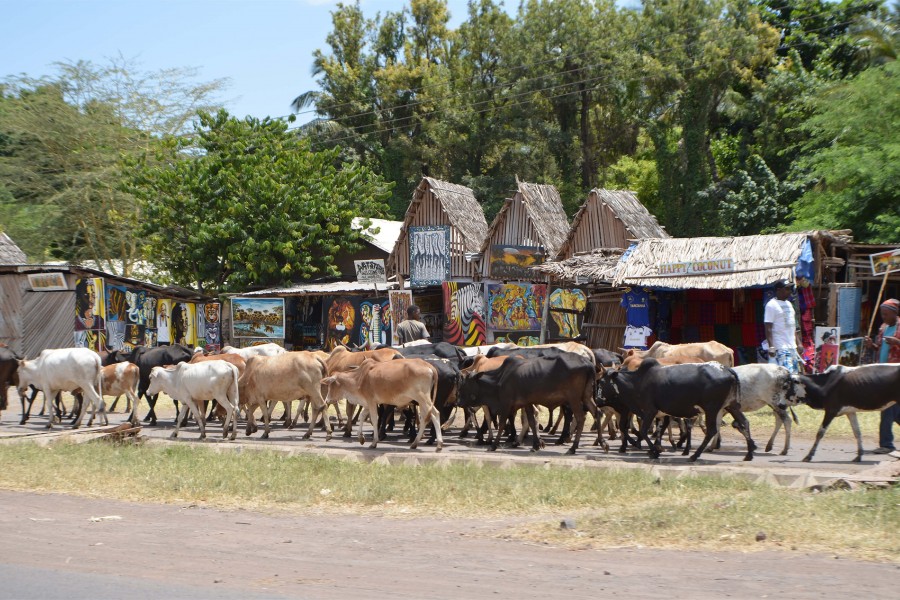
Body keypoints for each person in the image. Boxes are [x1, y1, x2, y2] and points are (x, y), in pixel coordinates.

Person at [864, 298, 900, 455]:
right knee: (894, 410)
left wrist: (897, 342)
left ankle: (886, 444)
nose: (883, 317)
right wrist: (872, 345)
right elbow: (879, 348)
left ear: (895, 313)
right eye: (882, 314)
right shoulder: (883, 328)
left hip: (896, 375)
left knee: (887, 408)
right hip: (884, 374)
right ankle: (886, 442)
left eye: (886, 314)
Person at [764, 280, 802, 374]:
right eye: (787, 289)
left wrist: (799, 343)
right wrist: (771, 346)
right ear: (778, 290)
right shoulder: (771, 305)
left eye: (790, 289)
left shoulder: (789, 304)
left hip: (792, 347)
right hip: (780, 347)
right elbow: (768, 327)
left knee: (795, 375)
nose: (789, 291)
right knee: (787, 376)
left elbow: (792, 325)